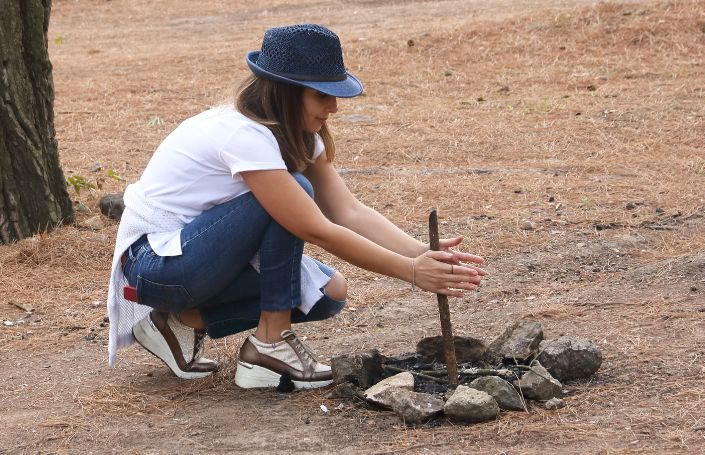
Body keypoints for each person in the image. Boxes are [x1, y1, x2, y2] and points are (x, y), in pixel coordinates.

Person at [106, 24, 486, 390]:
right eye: (322, 95)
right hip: (156, 266)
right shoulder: (242, 134)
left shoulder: (294, 135)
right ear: (286, 92)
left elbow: (347, 211)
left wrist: (422, 252)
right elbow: (312, 226)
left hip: (199, 257)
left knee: (329, 292)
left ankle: (182, 321)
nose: (334, 107)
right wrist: (412, 272)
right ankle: (268, 345)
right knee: (297, 191)